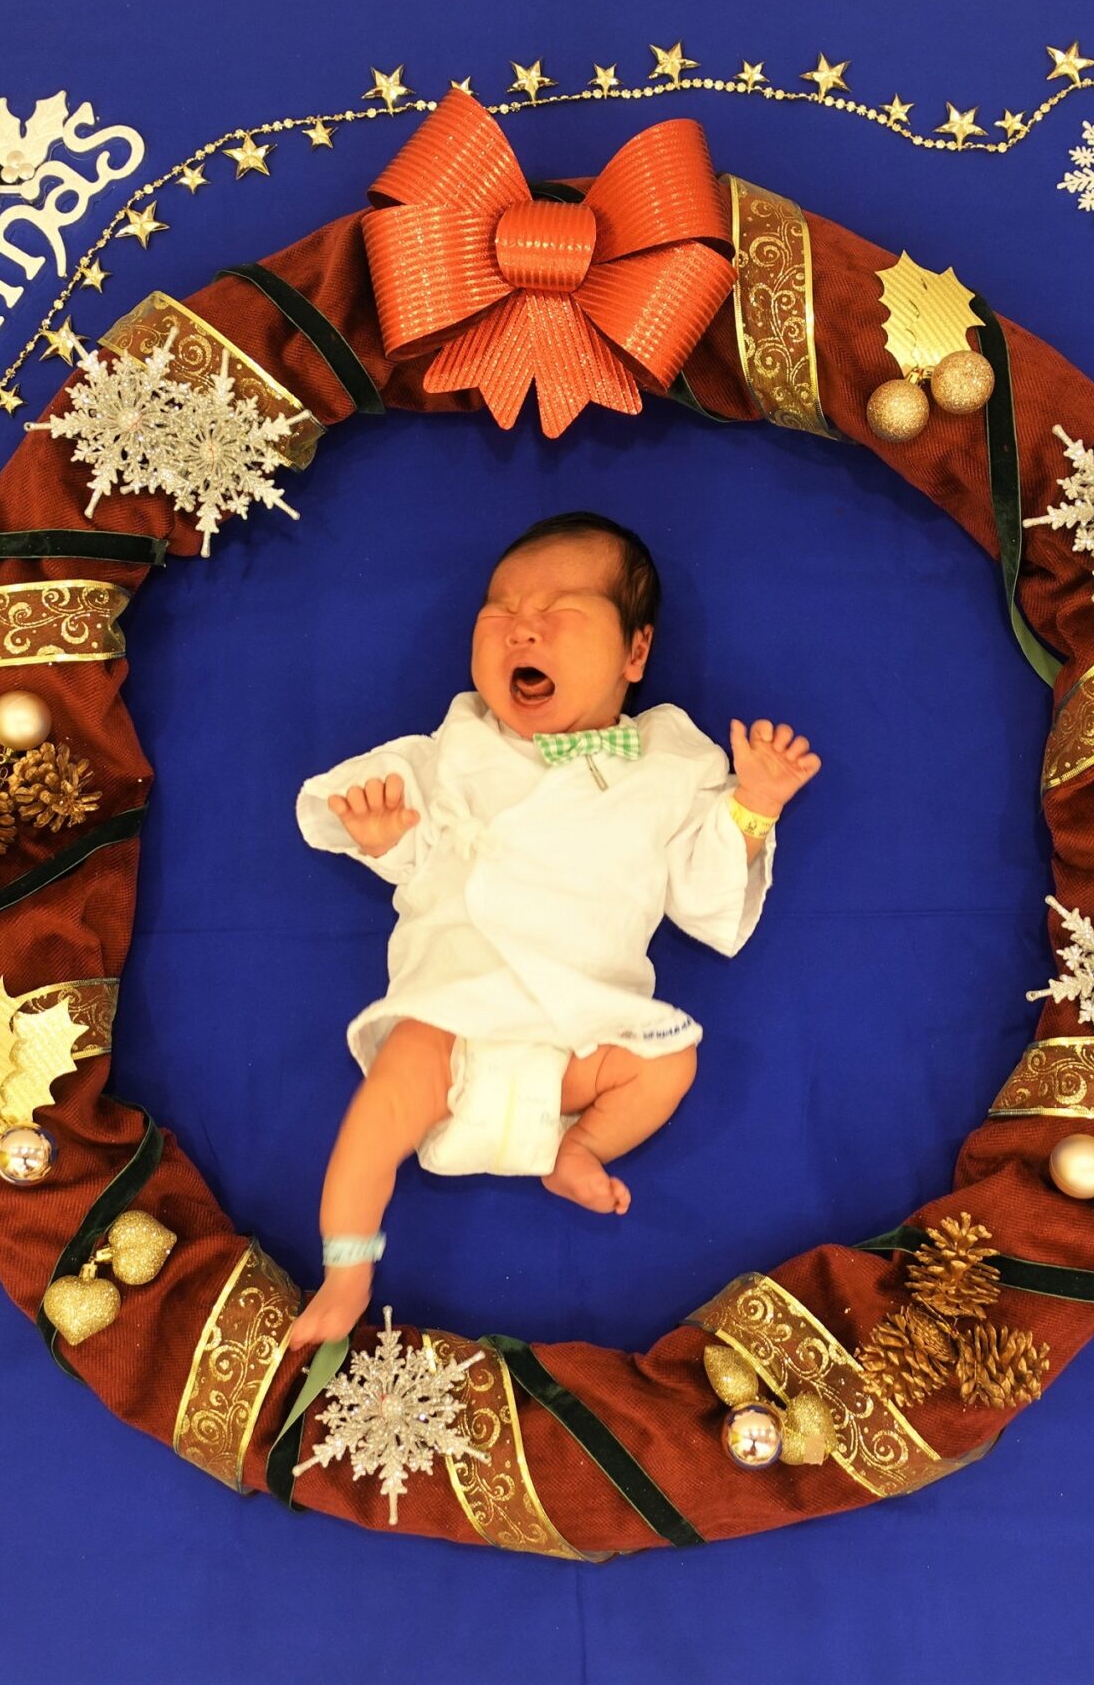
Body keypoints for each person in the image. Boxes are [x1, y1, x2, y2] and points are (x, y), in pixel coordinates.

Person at [285, 510, 823, 1348]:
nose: (521, 628)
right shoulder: (454, 748)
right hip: (452, 1012)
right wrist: (384, 834)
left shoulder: (668, 764)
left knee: (669, 1060)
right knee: (377, 1113)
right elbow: (409, 846)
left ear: (635, 653)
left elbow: (703, 894)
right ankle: (347, 1271)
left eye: (559, 610)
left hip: (583, 1027)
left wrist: (753, 806)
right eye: (499, 612)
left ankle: (583, 1150)